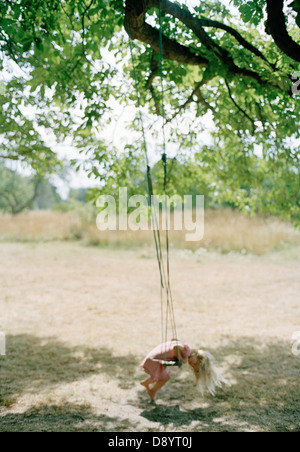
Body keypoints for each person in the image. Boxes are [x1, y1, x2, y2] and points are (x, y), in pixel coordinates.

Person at [140, 339, 229, 402]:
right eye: (195, 364)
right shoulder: (187, 351)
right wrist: (182, 359)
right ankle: (148, 385)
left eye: (193, 367)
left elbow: (173, 340)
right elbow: (176, 347)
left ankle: (150, 389)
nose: (191, 365)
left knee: (165, 376)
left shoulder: (187, 350)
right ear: (198, 358)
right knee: (162, 377)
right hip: (154, 360)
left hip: (156, 359)